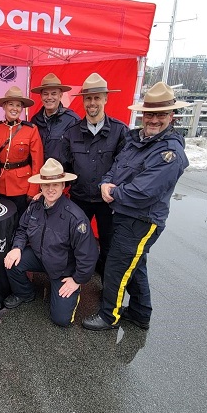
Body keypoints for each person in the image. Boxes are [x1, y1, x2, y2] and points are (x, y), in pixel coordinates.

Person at [82, 82, 189, 331]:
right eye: (149, 114)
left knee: (117, 266)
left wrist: (113, 193)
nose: (153, 120)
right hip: (125, 213)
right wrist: (106, 182)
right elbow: (116, 166)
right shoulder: (136, 140)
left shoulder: (169, 153)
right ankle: (141, 313)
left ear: (171, 116)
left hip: (141, 219)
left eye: (161, 114)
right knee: (135, 263)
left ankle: (109, 316)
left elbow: (144, 191)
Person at [3, 158, 99, 327]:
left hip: (64, 268)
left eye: (55, 184)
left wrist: (77, 279)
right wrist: (17, 247)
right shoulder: (35, 206)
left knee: (61, 320)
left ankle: (72, 291)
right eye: (46, 185)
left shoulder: (75, 217)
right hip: (40, 255)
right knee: (11, 262)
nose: (50, 189)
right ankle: (25, 293)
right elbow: (22, 229)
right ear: (40, 186)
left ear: (63, 186)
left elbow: (88, 254)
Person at [61, 73, 128, 278]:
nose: (92, 103)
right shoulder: (71, 132)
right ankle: (74, 277)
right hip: (80, 198)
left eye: (97, 97)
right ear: (82, 100)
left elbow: (123, 166)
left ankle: (105, 281)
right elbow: (65, 166)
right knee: (75, 239)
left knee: (108, 241)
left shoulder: (120, 131)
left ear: (106, 99)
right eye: (88, 98)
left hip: (108, 201)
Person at [0, 86, 44, 219]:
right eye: (11, 104)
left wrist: (33, 189)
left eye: (18, 105)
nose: (15, 108)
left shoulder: (31, 130)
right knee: (0, 221)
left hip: (21, 187)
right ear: (4, 106)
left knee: (20, 223)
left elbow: (37, 161)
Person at [30, 73, 80, 165]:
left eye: (54, 94)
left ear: (60, 96)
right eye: (46, 94)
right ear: (41, 96)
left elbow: (78, 155)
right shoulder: (34, 121)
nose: (49, 97)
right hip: (40, 176)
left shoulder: (72, 120)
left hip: (63, 176)